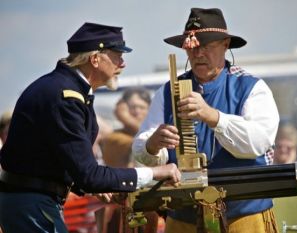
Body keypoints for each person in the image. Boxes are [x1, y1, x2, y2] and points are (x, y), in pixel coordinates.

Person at [0, 22, 181, 233]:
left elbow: (61, 160)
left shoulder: (66, 89)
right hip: (31, 204)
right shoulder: (65, 97)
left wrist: (94, 186)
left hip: (32, 202)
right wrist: (156, 171)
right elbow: (88, 174)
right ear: (95, 59)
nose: (122, 64)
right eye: (117, 55)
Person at [132, 8, 279, 233]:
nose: (198, 53)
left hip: (243, 217)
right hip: (184, 217)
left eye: (207, 46)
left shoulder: (252, 87)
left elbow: (258, 142)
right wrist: (153, 144)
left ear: (225, 44)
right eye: (192, 47)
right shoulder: (167, 92)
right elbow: (144, 149)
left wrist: (213, 116)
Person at [95, 88, 159, 233]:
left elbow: (154, 146)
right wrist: (127, 120)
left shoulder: (158, 133)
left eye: (141, 107)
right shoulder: (114, 137)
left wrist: (127, 118)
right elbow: (141, 145)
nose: (136, 111)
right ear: (122, 109)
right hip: (122, 212)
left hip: (154, 209)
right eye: (131, 107)